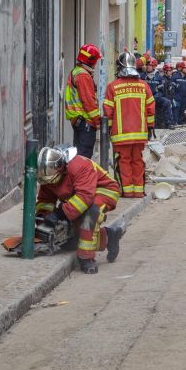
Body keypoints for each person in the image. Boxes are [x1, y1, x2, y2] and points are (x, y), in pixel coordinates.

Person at [36, 146, 124, 274]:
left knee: (89, 216)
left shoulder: (79, 166)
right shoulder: (49, 175)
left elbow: (85, 198)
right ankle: (110, 236)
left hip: (104, 190)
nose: (50, 184)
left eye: (52, 180)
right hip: (80, 194)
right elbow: (45, 199)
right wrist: (43, 217)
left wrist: (59, 213)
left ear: (60, 168)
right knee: (73, 239)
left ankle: (86, 258)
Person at [104, 52, 155, 198]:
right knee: (138, 161)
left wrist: (108, 129)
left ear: (120, 67)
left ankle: (126, 191)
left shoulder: (112, 87)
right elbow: (151, 109)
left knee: (123, 162)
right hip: (140, 134)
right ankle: (138, 191)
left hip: (120, 134)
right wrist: (150, 127)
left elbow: (108, 111)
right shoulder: (144, 86)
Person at [64, 44, 103, 158]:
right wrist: (97, 121)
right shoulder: (83, 75)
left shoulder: (76, 72)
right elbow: (88, 101)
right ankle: (82, 176)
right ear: (90, 61)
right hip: (85, 121)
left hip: (78, 120)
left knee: (80, 153)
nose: (96, 64)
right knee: (84, 156)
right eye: (95, 61)